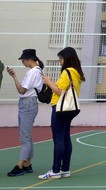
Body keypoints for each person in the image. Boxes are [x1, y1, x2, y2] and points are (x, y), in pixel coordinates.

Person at [37, 47, 84, 180]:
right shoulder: (77, 72)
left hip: (60, 108)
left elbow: (59, 92)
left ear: (66, 59)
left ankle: (56, 169)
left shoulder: (67, 72)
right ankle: (65, 169)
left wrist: (48, 82)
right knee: (65, 138)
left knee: (58, 139)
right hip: (69, 109)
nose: (59, 62)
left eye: (61, 59)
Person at [6, 49, 43, 177]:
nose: (22, 61)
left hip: (27, 104)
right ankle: (27, 164)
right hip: (30, 104)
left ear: (29, 59)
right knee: (27, 136)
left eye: (23, 59)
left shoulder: (32, 72)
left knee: (25, 137)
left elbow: (22, 90)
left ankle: (20, 165)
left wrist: (14, 77)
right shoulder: (38, 70)